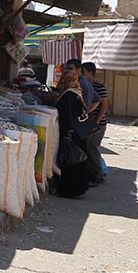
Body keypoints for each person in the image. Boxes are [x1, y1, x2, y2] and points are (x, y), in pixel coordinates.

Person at [53, 70, 91, 198]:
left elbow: (69, 117)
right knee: (76, 160)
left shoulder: (69, 95)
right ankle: (76, 188)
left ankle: (68, 190)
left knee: (70, 160)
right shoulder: (77, 93)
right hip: (78, 134)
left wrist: (67, 134)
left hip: (70, 134)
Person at [81, 62, 108, 186]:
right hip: (90, 123)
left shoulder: (98, 87)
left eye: (83, 73)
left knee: (92, 149)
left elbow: (104, 105)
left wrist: (96, 121)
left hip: (98, 124)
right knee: (89, 149)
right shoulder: (87, 85)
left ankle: (98, 176)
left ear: (90, 74)